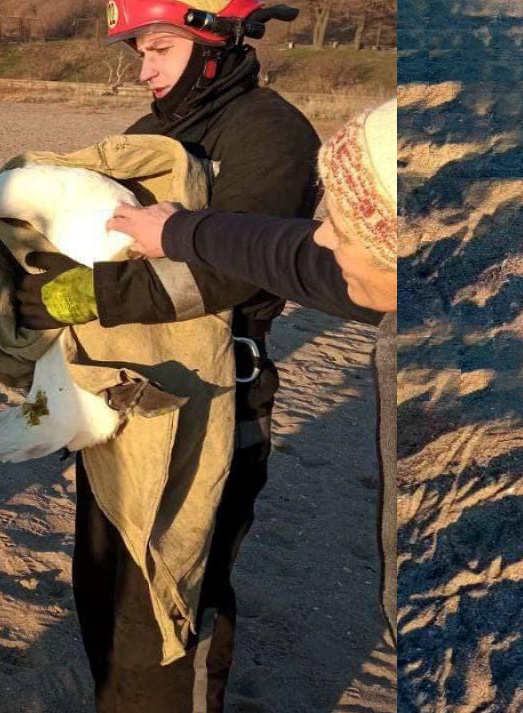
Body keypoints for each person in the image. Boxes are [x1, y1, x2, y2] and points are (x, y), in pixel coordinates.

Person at [17, 0, 322, 713]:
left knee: (172, 605)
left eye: (153, 46)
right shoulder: (165, 129)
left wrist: (76, 298)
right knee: (104, 574)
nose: (142, 68)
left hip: (210, 409)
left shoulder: (268, 134)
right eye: (138, 51)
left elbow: (229, 269)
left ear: (210, 36)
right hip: (125, 403)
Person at [105, 98, 399, 633]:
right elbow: (294, 258)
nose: (323, 235)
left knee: (192, 590)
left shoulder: (269, 131)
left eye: (344, 224)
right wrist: (181, 233)